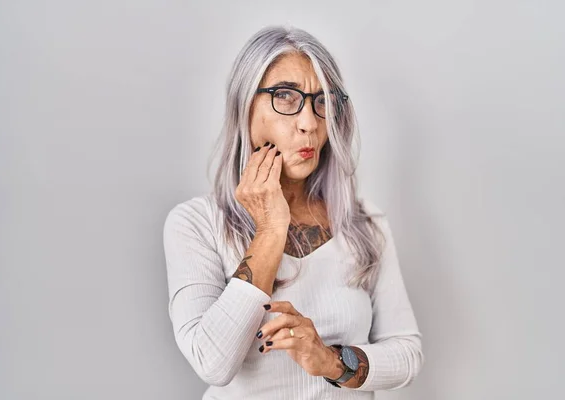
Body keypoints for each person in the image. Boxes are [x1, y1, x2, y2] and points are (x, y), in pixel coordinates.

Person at [163, 25, 423, 399]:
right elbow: (212, 362)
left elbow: (407, 353)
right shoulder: (196, 224)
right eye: (285, 96)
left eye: (322, 101)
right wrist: (271, 230)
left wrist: (332, 361)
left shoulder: (364, 225)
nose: (310, 123)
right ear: (245, 105)